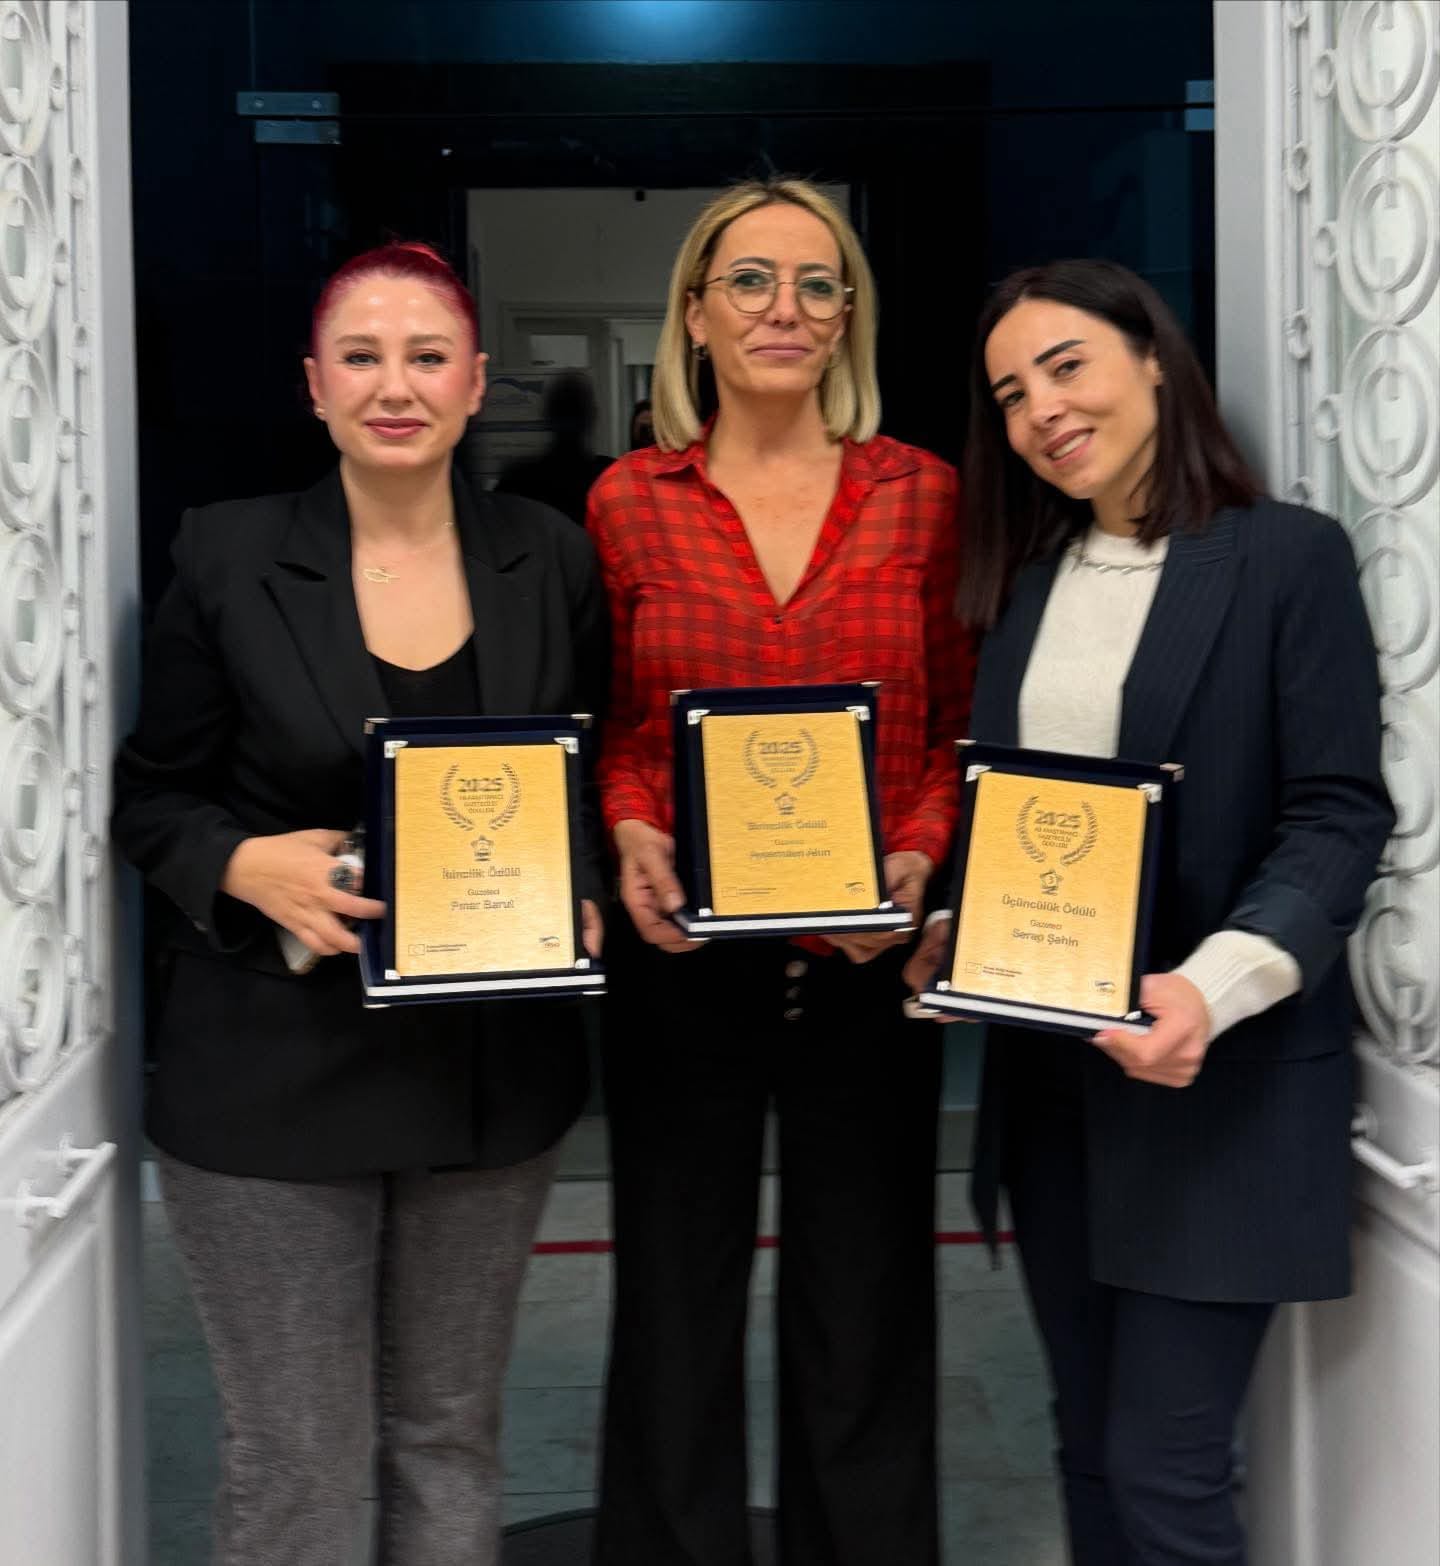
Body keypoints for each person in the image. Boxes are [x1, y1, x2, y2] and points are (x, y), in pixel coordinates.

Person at [112, 241, 607, 1566]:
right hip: (267, 1072)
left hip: (488, 1074)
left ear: (476, 382)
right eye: (363, 356)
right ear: (315, 384)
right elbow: (152, 796)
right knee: (300, 1461)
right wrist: (241, 864)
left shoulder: (549, 556)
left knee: (448, 1437)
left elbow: (578, 777)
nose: (397, 385)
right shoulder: (229, 553)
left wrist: (582, 886)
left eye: (427, 356)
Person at [905, 259, 1392, 1566]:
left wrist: (1212, 988)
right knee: (1085, 1445)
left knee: (1166, 1474)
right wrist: (968, 927)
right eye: (1011, 394)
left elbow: (1338, 817)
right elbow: (1030, 818)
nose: (1042, 411)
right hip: (1054, 1092)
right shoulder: (1028, 579)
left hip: (1218, 1087)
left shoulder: (1284, 557)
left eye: (1066, 366)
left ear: (1156, 363)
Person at [587, 179, 974, 1566]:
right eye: (750, 280)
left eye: (818, 284)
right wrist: (630, 825)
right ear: (695, 313)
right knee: (672, 1304)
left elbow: (951, 720)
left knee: (864, 1309)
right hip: (680, 963)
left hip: (866, 966)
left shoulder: (922, 495)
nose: (784, 309)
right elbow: (619, 726)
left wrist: (919, 852)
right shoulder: (629, 502)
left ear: (847, 317)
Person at [494, 369, 614, 525]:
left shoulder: (518, 478)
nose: (569, 423)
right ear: (592, 416)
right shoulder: (610, 476)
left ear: (547, 415)